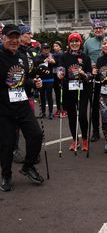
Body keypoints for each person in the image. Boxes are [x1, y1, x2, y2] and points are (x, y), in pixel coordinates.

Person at [0, 24, 44, 192]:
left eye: (16, 37)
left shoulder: (22, 57)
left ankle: (28, 166)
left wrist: (34, 83)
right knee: (7, 144)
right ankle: (6, 174)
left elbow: (24, 80)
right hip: (4, 108)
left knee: (36, 135)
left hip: (22, 104)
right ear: (3, 37)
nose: (14, 40)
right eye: (10, 37)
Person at [84, 19, 107, 142]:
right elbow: (84, 58)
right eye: (96, 28)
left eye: (100, 28)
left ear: (104, 29)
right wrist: (90, 65)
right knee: (94, 107)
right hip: (94, 79)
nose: (98, 30)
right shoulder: (88, 42)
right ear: (93, 30)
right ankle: (95, 132)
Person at [57, 33, 91, 151]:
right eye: (72, 41)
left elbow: (90, 75)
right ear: (69, 43)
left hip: (82, 90)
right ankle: (75, 140)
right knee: (71, 116)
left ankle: (85, 140)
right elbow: (60, 67)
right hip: (68, 89)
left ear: (80, 43)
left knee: (82, 115)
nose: (74, 43)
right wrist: (60, 73)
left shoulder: (85, 57)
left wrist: (84, 74)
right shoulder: (64, 56)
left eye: (77, 41)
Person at [13, 23, 37, 164]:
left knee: (30, 124)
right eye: (27, 33)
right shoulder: (15, 52)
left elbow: (31, 70)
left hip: (29, 93)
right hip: (16, 92)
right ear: (21, 36)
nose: (30, 36)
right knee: (15, 124)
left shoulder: (29, 51)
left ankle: (32, 151)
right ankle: (14, 149)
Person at [34, 43, 56, 119]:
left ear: (49, 49)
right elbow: (36, 63)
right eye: (44, 48)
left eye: (47, 48)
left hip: (50, 79)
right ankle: (43, 112)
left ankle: (50, 112)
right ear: (42, 49)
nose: (46, 50)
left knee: (49, 95)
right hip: (41, 79)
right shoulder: (38, 56)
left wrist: (53, 62)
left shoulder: (52, 56)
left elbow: (58, 64)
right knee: (42, 96)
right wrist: (44, 60)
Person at [52, 40, 67, 118]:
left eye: (57, 46)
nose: (55, 47)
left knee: (62, 93)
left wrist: (53, 62)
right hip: (54, 76)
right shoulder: (53, 54)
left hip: (61, 76)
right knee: (57, 93)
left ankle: (64, 109)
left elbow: (59, 63)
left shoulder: (62, 54)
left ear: (60, 47)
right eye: (54, 46)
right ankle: (58, 109)